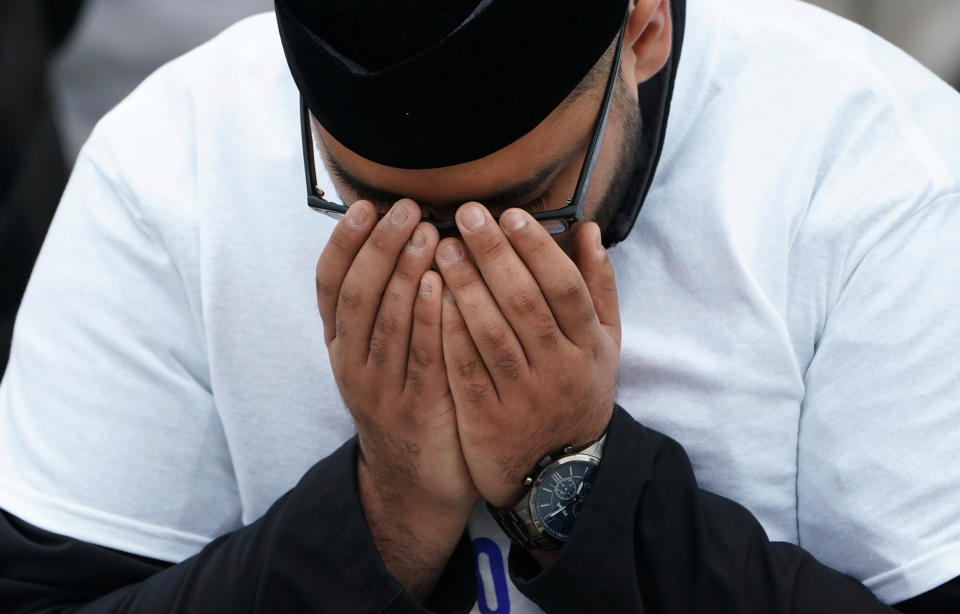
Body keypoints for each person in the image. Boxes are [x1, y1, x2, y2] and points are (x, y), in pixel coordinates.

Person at [1, 0, 959, 612]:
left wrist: (576, 482)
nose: (448, 266)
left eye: (525, 204)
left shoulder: (876, 176)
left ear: (644, 32)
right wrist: (383, 515)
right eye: (373, 205)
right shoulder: (173, 161)